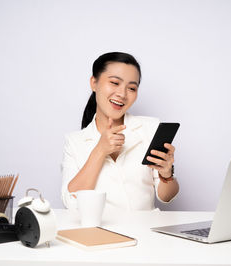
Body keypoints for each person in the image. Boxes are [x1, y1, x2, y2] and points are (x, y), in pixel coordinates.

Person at [61, 52, 179, 210]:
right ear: (94, 83)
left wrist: (167, 175)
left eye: (131, 88)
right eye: (115, 83)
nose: (122, 94)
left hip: (145, 231)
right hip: (100, 232)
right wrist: (100, 151)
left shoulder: (150, 128)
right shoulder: (74, 142)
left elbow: (166, 197)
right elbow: (72, 202)